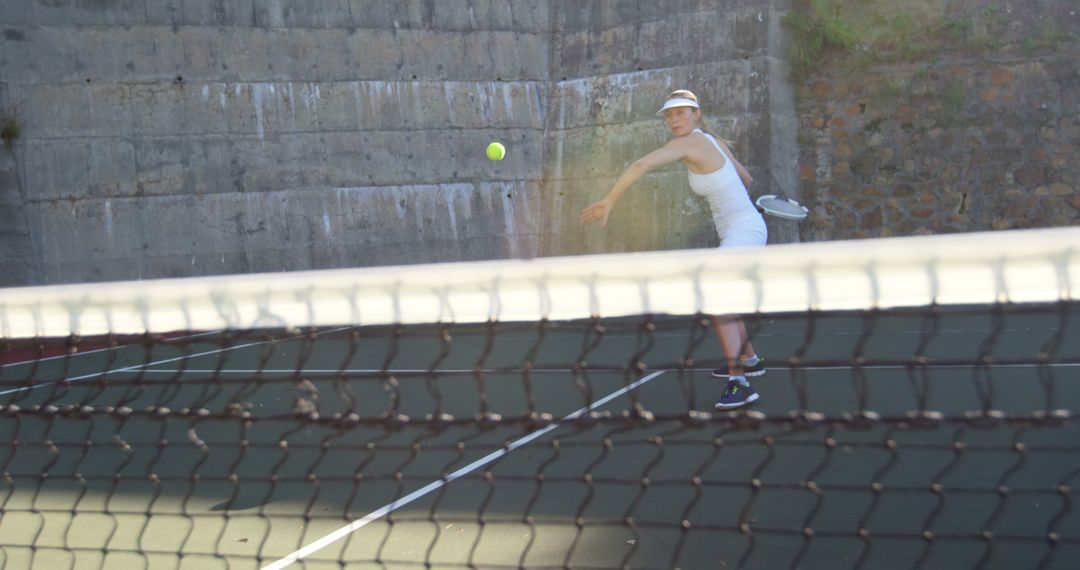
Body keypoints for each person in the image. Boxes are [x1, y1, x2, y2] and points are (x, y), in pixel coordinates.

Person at [579, 89, 767, 410]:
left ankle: (740, 383)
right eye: (668, 114)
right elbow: (746, 179)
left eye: (680, 112)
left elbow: (641, 164)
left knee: (714, 292)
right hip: (743, 227)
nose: (673, 119)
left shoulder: (690, 143)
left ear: (696, 114)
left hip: (744, 230)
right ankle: (748, 359)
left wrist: (609, 200)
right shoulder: (712, 141)